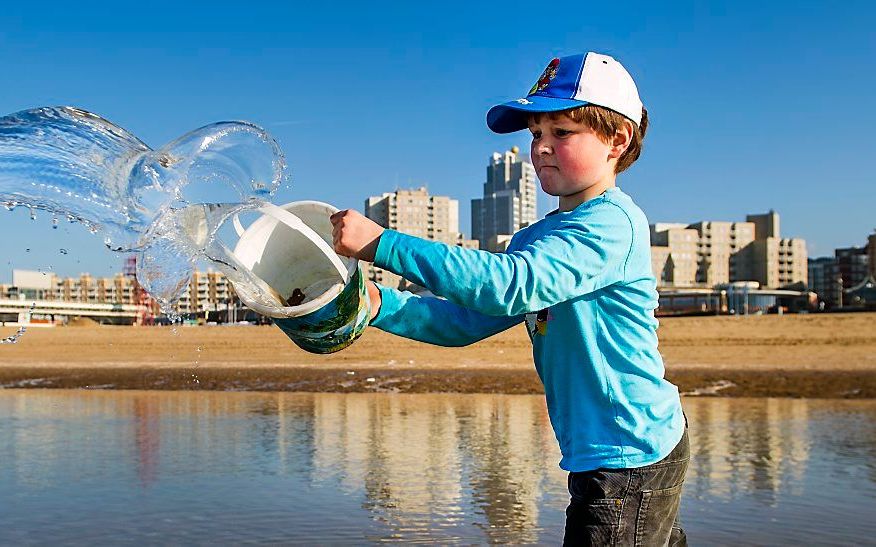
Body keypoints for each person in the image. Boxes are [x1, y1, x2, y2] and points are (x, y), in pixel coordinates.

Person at [330, 52, 688, 546]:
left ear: (617, 140)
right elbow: (465, 320)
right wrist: (376, 304)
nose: (541, 148)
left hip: (628, 454)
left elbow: (508, 284)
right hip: (610, 450)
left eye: (561, 133)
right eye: (536, 134)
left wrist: (382, 244)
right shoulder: (537, 240)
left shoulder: (611, 225)